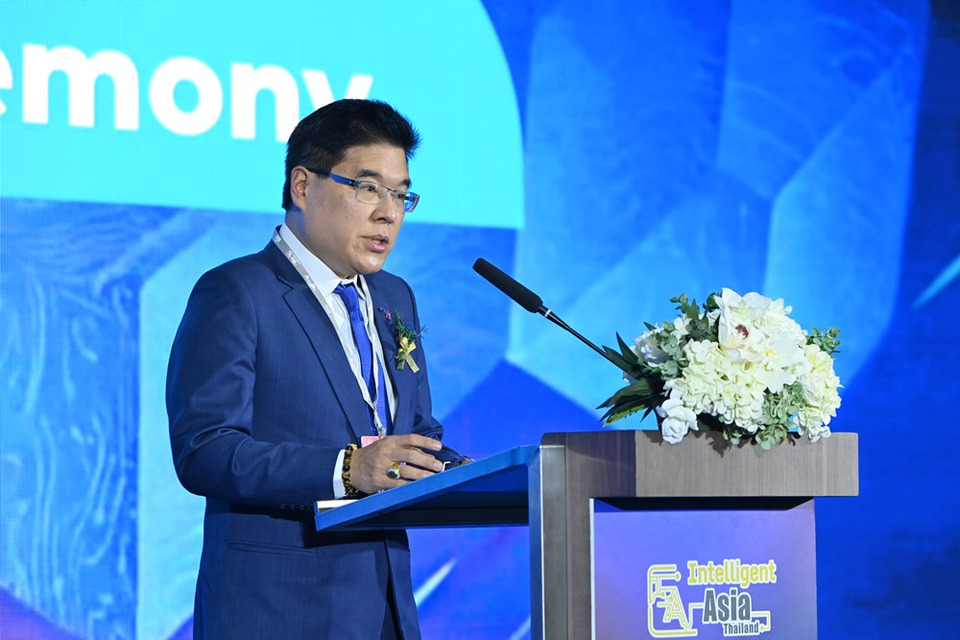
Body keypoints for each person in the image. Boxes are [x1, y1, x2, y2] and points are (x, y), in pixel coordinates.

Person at [166, 99, 467, 639]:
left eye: (401, 194)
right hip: (277, 613)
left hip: (386, 612)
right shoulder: (237, 292)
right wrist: (346, 470)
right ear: (303, 186)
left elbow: (416, 432)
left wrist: (462, 470)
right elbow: (204, 450)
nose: (389, 213)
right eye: (369, 188)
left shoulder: (394, 297)